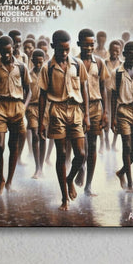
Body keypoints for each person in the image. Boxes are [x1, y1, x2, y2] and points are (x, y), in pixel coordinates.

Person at [38, 30, 89, 211]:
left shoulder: (78, 64)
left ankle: (69, 179)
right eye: (61, 49)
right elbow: (43, 95)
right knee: (61, 154)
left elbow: (84, 89)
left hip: (75, 110)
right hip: (56, 111)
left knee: (81, 154)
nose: (65, 53)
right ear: (53, 47)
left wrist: (87, 115)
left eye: (67, 49)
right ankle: (64, 198)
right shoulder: (47, 68)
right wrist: (40, 122)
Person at [0, 35, 31, 194]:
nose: (6, 55)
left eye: (9, 51)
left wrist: (23, 107)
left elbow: (29, 90)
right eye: (3, 52)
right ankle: (1, 179)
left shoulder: (21, 66)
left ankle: (10, 182)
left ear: (13, 48)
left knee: (14, 145)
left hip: (17, 107)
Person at [76, 28, 109, 196]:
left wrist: (106, 112)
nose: (89, 48)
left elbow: (103, 88)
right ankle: (80, 166)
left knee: (93, 144)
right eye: (85, 45)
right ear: (79, 44)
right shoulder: (73, 62)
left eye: (91, 45)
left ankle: (89, 185)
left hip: (96, 107)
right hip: (77, 108)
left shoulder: (100, 62)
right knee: (80, 146)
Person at [111, 40, 133, 192]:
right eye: (131, 57)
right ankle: (130, 182)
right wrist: (112, 119)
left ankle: (121, 171)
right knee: (127, 146)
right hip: (122, 111)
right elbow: (113, 96)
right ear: (124, 55)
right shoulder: (117, 73)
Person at [26, 48, 46, 179]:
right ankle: (37, 167)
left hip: (44, 108)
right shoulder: (28, 74)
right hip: (32, 107)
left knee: (42, 135)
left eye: (40, 62)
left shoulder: (47, 73)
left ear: (44, 61)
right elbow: (25, 92)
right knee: (35, 134)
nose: (38, 65)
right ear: (32, 61)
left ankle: (42, 167)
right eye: (36, 62)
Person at [103, 39, 123, 152]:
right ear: (109, 50)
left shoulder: (122, 64)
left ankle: (114, 143)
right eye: (113, 50)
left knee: (117, 117)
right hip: (106, 93)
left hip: (117, 95)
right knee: (106, 116)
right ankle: (106, 141)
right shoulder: (104, 62)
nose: (115, 52)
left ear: (120, 51)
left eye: (117, 50)